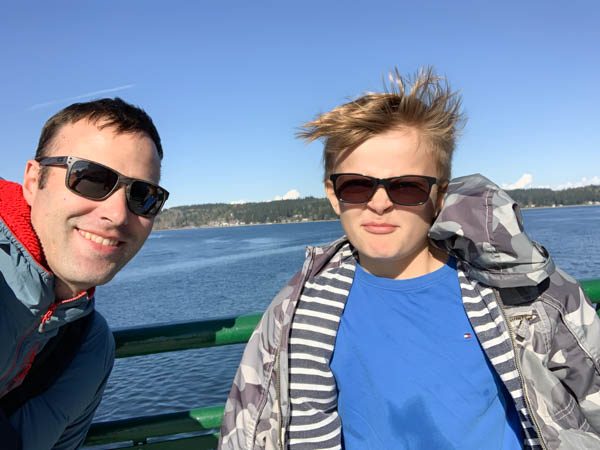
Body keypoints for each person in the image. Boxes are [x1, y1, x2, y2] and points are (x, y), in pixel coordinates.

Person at [219, 68, 600, 449]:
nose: (379, 203)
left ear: (439, 196)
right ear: (334, 195)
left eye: (406, 187)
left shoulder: (522, 292)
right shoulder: (297, 315)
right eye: (357, 185)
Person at [0, 98, 169, 450]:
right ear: (33, 181)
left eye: (143, 196)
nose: (117, 215)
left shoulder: (89, 348)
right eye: (91, 179)